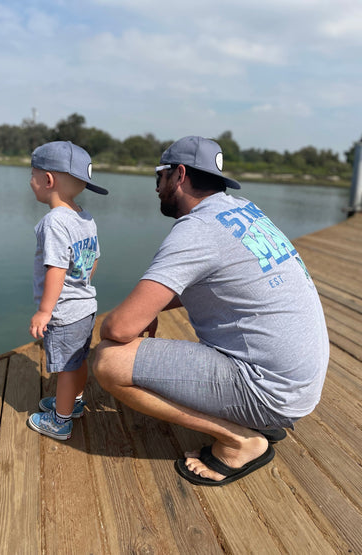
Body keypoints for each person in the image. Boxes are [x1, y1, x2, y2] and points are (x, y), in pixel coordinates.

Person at [93, 135, 329, 486]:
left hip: (269, 389)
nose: (156, 187)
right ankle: (255, 421)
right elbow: (220, 281)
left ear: (179, 175)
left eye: (159, 176)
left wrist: (124, 319)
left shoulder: (197, 229)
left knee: (108, 361)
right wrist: (152, 306)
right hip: (299, 384)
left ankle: (240, 441)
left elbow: (119, 329)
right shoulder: (243, 210)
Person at [27, 140, 108, 440]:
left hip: (64, 312)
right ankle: (73, 403)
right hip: (86, 306)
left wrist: (44, 311)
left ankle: (60, 421)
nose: (30, 181)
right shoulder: (84, 217)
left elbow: (56, 269)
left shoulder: (53, 222)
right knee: (78, 360)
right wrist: (83, 285)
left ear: (48, 180)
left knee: (65, 369)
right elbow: (94, 259)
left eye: (33, 174)